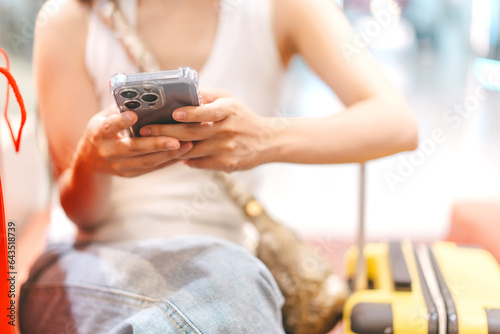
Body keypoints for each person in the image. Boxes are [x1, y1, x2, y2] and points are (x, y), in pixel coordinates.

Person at [20, 0, 418, 333]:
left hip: (220, 272)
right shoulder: (70, 20)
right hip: (90, 266)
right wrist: (93, 163)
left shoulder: (280, 9)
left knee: (235, 287)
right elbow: (82, 215)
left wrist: (267, 138)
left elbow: (396, 123)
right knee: (240, 290)